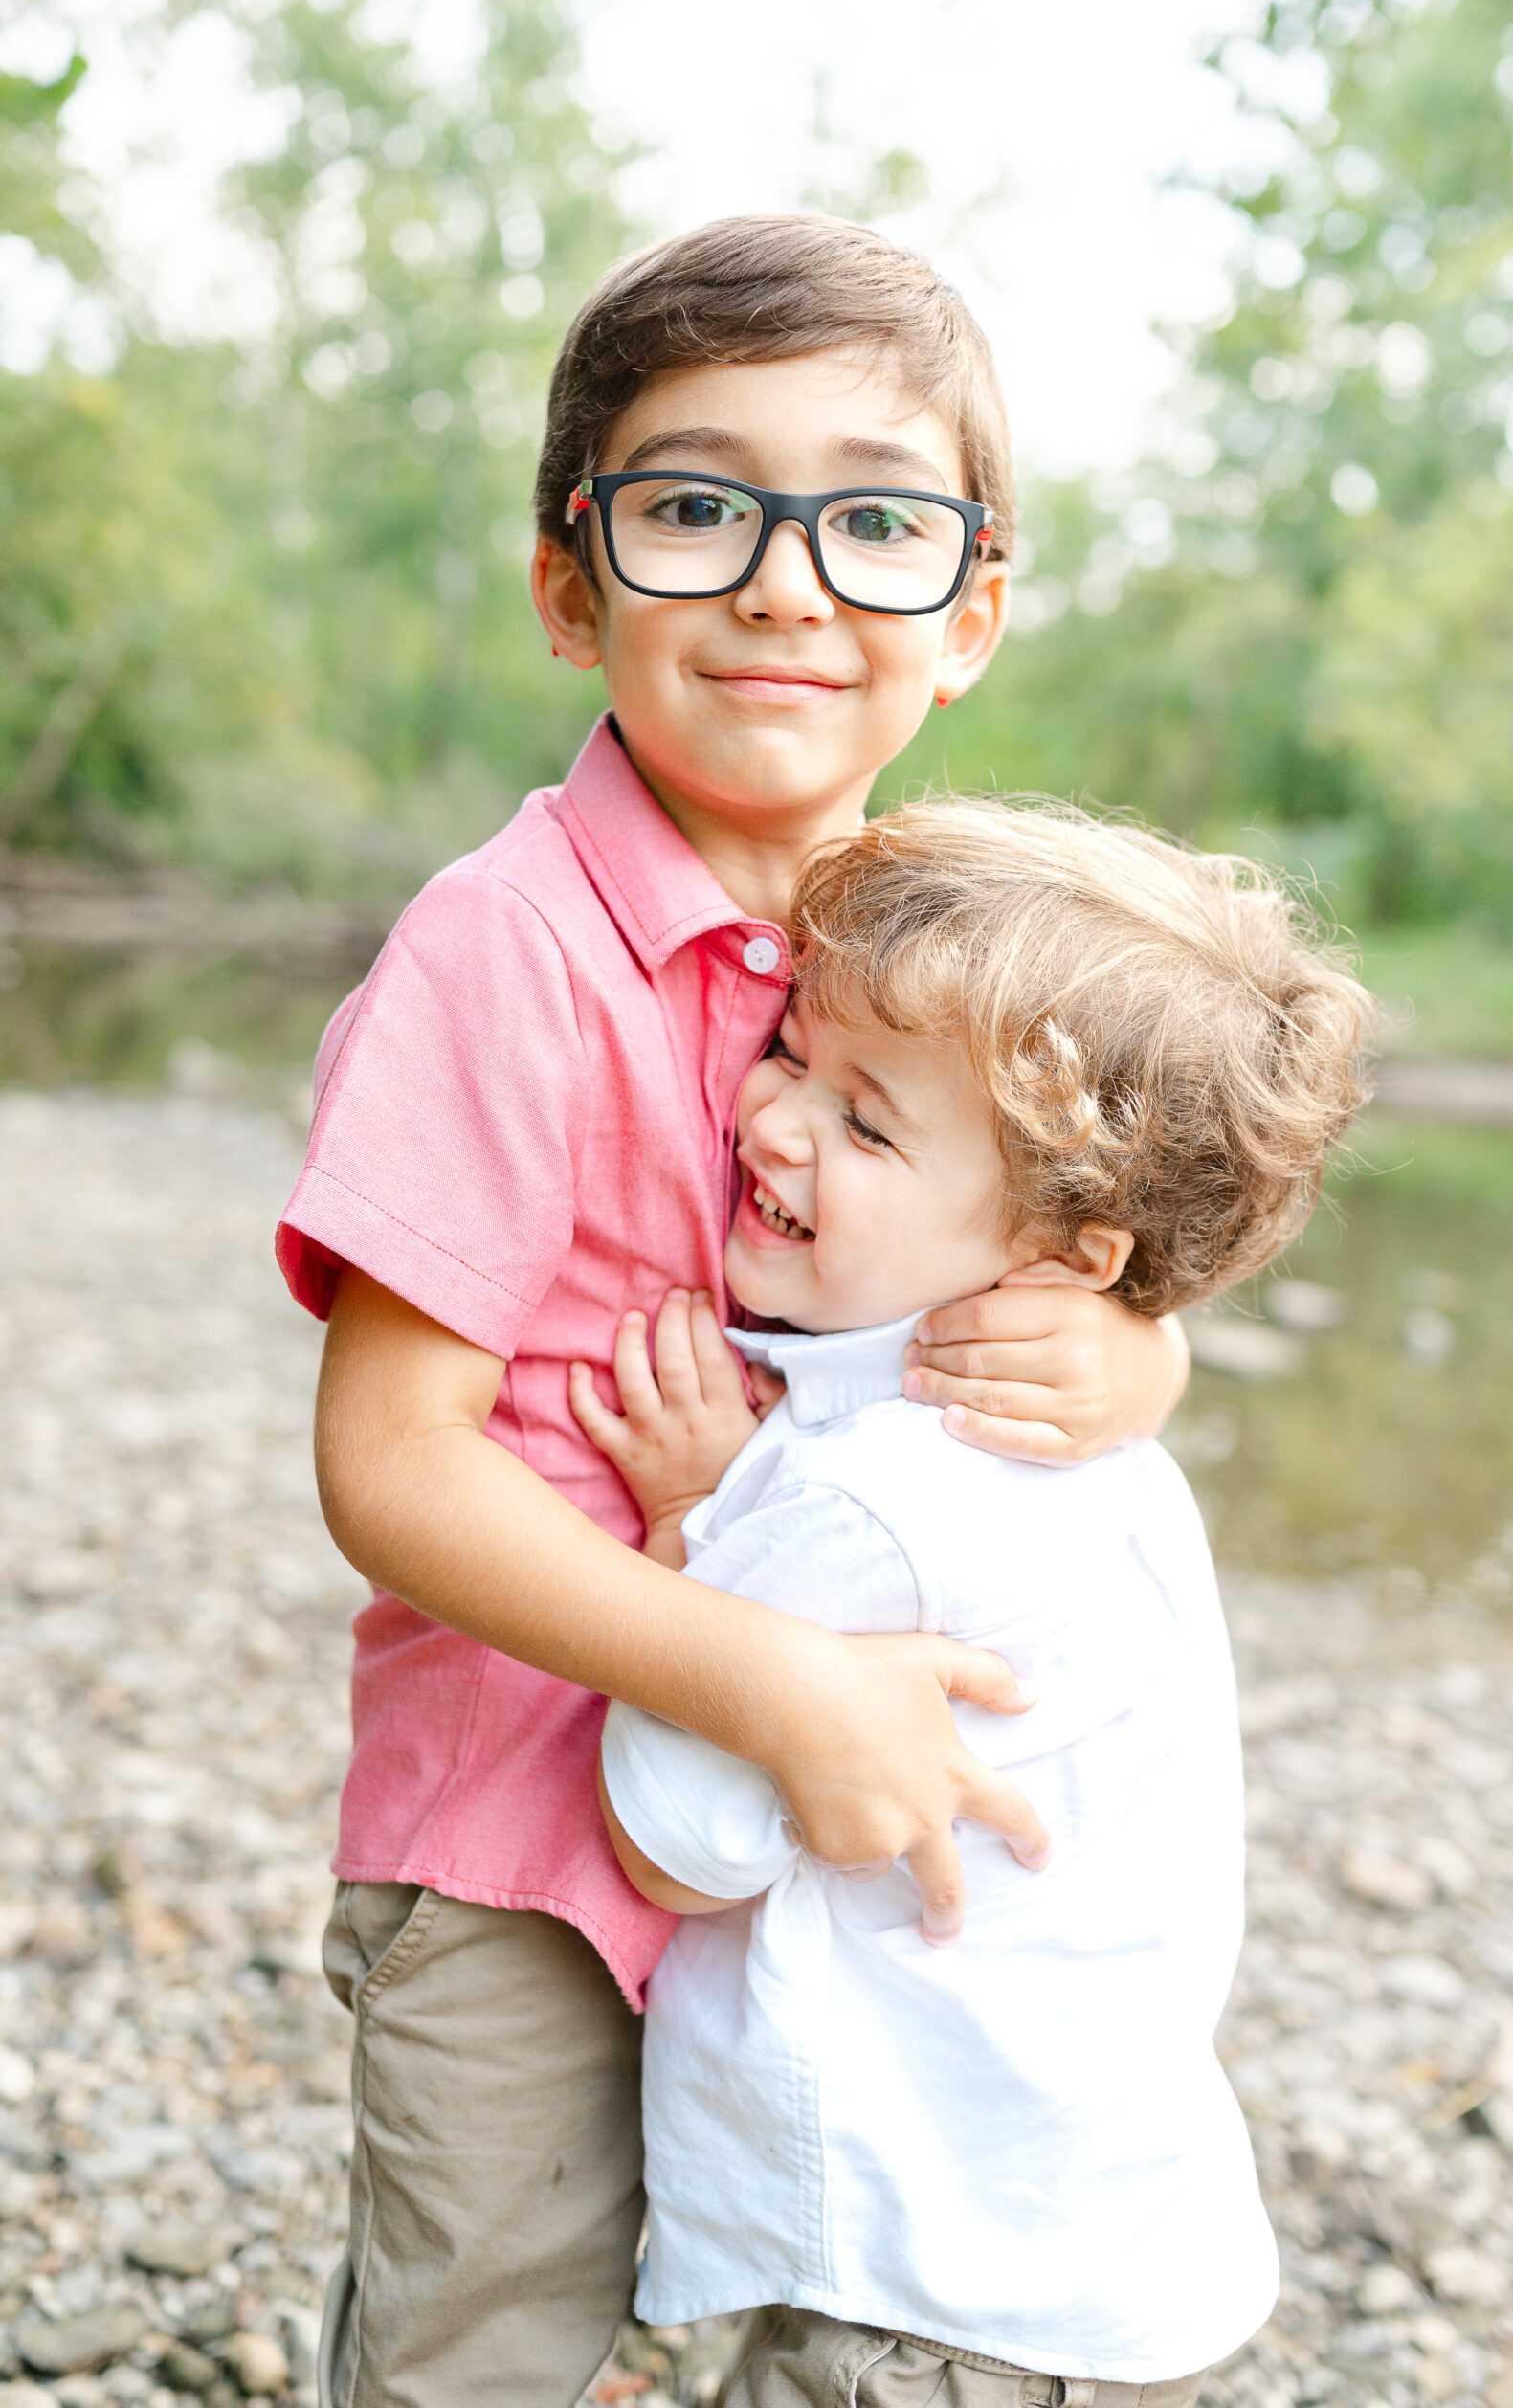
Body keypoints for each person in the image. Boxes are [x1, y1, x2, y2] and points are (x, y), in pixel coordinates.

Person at [278, 215, 1191, 2408]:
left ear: (967, 614)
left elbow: (1077, 1253)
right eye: (698, 506)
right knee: (489, 2318)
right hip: (528, 1830)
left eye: (873, 520)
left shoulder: (971, 955)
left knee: (829, 2299)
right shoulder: (504, 951)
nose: (788, 580)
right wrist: (770, 1675)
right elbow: (387, 1463)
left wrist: (1136, 1350)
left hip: (820, 1837)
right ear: (572, 581)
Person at [590, 800, 1375, 2407]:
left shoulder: (860, 1500)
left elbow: (674, 1843)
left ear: (1064, 1255)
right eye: (793, 1054)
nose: (773, 1121)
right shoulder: (1112, 1461)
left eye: (869, 1128)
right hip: (1086, 2228)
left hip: (913, 2257)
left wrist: (684, 1518)